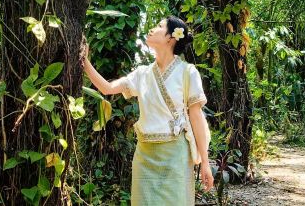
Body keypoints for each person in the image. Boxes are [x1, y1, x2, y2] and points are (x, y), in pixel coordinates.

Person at [83, 16, 214, 205]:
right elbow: (107, 88)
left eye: (160, 26)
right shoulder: (142, 74)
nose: (152, 29)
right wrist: (85, 61)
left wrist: (205, 163)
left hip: (175, 155)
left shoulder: (187, 72)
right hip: (144, 156)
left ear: (171, 37)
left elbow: (196, 117)